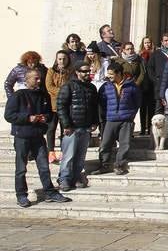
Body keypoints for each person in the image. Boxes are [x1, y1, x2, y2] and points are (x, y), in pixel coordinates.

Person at [4, 69, 71, 207]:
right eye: (36, 79)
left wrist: (44, 118)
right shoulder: (18, 95)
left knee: (44, 166)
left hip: (38, 136)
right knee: (21, 168)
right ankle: (21, 195)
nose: (39, 81)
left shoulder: (43, 95)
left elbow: (48, 113)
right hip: (22, 136)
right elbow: (9, 115)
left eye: (40, 78)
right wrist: (28, 118)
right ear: (26, 80)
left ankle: (50, 192)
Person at [56, 61, 99, 191]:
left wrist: (94, 122)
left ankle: (76, 177)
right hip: (72, 127)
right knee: (68, 155)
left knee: (80, 156)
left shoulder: (91, 87)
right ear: (77, 72)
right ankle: (64, 178)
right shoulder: (68, 86)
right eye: (84, 71)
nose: (87, 74)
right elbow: (61, 106)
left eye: (88, 71)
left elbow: (94, 107)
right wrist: (66, 124)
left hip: (86, 127)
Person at [94, 61, 141, 175]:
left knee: (124, 144)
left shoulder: (131, 86)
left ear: (119, 73)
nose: (108, 76)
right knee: (105, 143)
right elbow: (102, 103)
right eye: (108, 73)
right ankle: (104, 164)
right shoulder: (105, 87)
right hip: (110, 119)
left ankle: (119, 165)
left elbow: (137, 102)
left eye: (111, 74)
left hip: (126, 120)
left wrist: (131, 115)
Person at [44, 50, 71, 163]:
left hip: (66, 104)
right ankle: (51, 151)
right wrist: (62, 91)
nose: (62, 61)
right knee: (51, 128)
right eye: (60, 59)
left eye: (64, 58)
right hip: (53, 104)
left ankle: (63, 151)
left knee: (64, 128)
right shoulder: (51, 71)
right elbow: (49, 86)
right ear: (56, 59)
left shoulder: (70, 71)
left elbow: (70, 84)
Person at [146, 33, 168, 114]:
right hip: (159, 86)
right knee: (159, 110)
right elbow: (150, 68)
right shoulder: (156, 53)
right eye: (165, 40)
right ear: (162, 42)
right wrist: (155, 80)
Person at [137, 36, 155, 136]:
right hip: (142, 84)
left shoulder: (155, 54)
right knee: (143, 108)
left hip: (152, 83)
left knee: (151, 107)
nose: (147, 44)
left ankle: (150, 128)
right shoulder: (139, 56)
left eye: (149, 42)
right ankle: (143, 128)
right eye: (145, 43)